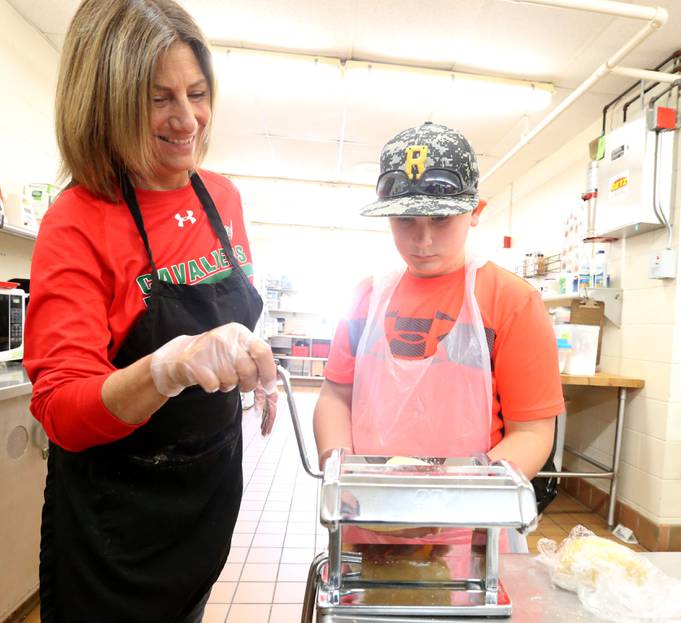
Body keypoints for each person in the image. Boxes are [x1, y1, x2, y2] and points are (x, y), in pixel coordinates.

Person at [23, 1, 277, 620]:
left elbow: (229, 304)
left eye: (196, 92)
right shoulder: (78, 221)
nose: (187, 119)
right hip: (119, 529)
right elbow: (61, 410)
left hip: (206, 499)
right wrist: (168, 368)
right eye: (158, 98)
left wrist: (248, 364)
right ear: (107, 102)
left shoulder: (221, 197)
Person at [313, 121, 564, 553]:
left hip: (474, 528)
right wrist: (341, 472)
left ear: (476, 211)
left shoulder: (512, 301)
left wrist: (456, 501)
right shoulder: (366, 298)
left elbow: (534, 430)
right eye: (406, 219)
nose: (423, 239)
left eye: (442, 219)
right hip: (371, 519)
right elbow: (336, 396)